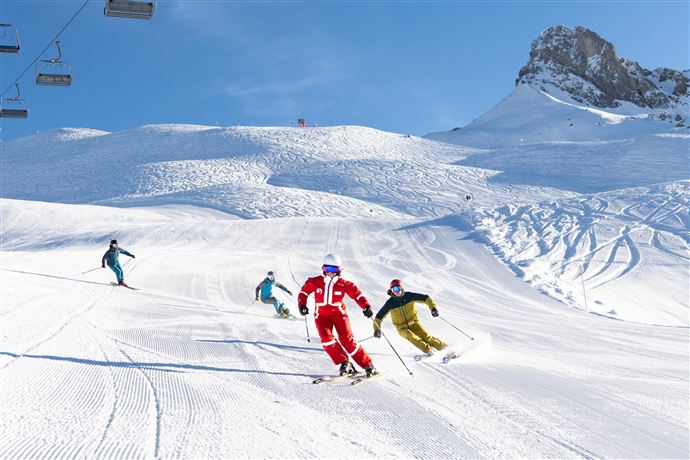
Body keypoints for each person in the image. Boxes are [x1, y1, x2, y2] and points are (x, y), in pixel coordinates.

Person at [298, 253, 379, 378]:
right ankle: (345, 363)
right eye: (327, 269)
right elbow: (303, 293)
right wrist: (302, 305)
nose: (330, 272)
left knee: (347, 341)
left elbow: (357, 294)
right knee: (327, 341)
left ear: (339, 270)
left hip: (339, 315)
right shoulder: (315, 281)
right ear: (323, 269)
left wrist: (366, 306)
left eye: (333, 269)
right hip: (321, 316)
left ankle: (368, 366)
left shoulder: (343, 284)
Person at [373, 279, 447, 357]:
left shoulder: (409, 296)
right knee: (410, 335)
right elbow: (379, 316)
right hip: (401, 328)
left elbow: (426, 298)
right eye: (393, 289)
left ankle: (446, 349)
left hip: (414, 323)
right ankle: (428, 350)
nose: (396, 291)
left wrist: (433, 308)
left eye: (397, 288)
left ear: (402, 288)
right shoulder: (390, 303)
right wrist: (376, 329)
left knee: (427, 338)